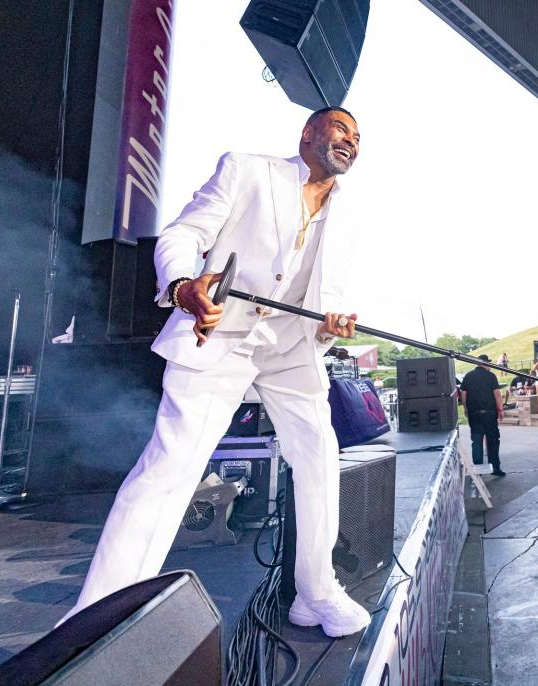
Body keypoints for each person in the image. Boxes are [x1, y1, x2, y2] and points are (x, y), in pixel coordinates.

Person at [60, 107, 371, 637]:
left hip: (291, 349)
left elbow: (322, 299)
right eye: (342, 129)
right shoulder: (247, 170)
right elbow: (181, 235)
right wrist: (185, 285)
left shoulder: (348, 218)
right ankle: (98, 618)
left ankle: (316, 592)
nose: (352, 141)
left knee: (319, 456)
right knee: (171, 465)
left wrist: (330, 323)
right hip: (218, 335)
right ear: (308, 132)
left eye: (359, 137)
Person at [461, 354, 505, 476]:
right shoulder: (491, 376)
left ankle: (478, 471)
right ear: (485, 363)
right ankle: (495, 468)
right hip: (489, 414)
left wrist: (466, 408)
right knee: (493, 441)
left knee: (476, 441)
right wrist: (500, 410)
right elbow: (497, 394)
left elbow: (463, 393)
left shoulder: (468, 376)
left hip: (474, 414)